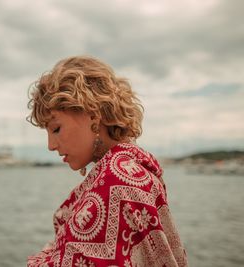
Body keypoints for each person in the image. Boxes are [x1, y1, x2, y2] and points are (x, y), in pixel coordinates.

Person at [26, 56, 188, 267]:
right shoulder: (131, 168)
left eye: (56, 129)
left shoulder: (118, 182)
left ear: (92, 114)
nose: (50, 145)